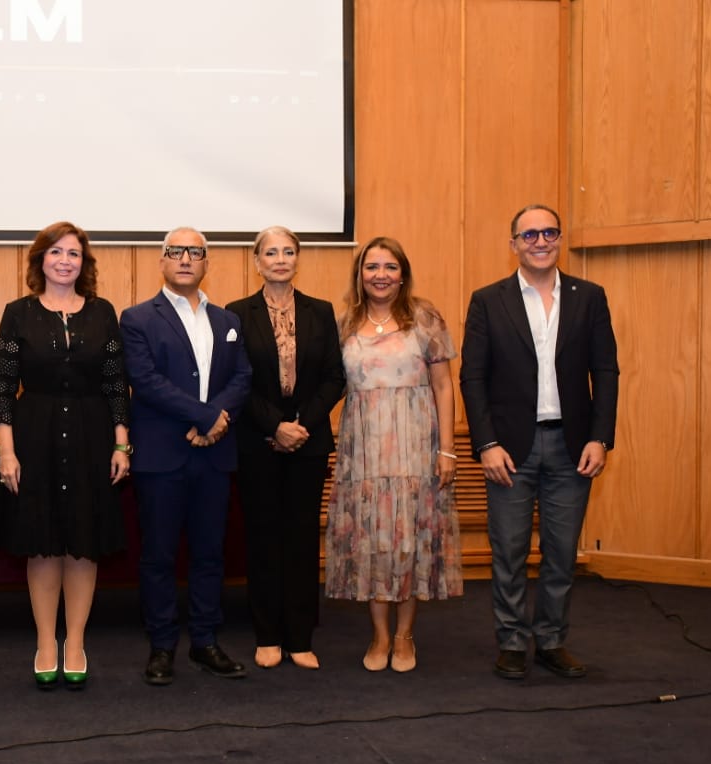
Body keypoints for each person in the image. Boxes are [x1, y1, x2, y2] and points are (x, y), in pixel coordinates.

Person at [459, 204, 619, 680]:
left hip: (573, 447)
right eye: (529, 235)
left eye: (549, 232)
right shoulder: (488, 301)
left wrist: (600, 437)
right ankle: (511, 641)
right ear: (513, 244)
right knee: (508, 552)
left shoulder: (590, 297)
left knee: (561, 553)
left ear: (560, 239)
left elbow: (605, 372)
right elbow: (472, 377)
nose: (541, 241)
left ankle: (551, 640)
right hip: (509, 449)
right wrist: (486, 444)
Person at [0, 221, 130, 691]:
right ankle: (46, 642)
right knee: (43, 541)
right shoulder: (18, 313)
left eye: (73, 253)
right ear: (40, 260)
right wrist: (7, 453)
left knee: (83, 543)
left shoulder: (103, 312)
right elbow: (2, 388)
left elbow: (116, 384)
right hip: (34, 438)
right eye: (55, 252)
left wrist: (121, 443)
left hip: (92, 437)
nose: (64, 260)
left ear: (83, 263)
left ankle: (76, 643)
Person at [119, 226, 252, 686]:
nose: (185, 259)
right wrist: (206, 416)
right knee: (158, 556)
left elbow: (242, 378)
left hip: (215, 456)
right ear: (162, 260)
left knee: (210, 554)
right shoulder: (137, 318)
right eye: (176, 251)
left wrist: (217, 420)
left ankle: (205, 641)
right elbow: (145, 380)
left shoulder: (228, 321)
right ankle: (161, 646)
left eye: (195, 252)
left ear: (206, 263)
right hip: (162, 457)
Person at [324, 237, 463, 673]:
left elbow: (443, 385)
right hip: (363, 451)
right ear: (359, 274)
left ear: (403, 274)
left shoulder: (424, 317)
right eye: (372, 267)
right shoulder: (344, 322)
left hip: (415, 448)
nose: (380, 275)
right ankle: (379, 635)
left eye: (389, 267)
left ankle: (404, 636)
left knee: (408, 541)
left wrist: (447, 449)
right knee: (373, 542)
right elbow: (329, 386)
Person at [225, 226, 344, 671]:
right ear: (257, 262)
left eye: (288, 252)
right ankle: (267, 635)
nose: (280, 259)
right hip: (258, 441)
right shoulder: (237, 313)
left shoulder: (321, 311)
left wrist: (300, 426)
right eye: (271, 253)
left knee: (301, 538)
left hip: (308, 442)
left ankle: (299, 637)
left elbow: (334, 376)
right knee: (262, 538)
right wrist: (275, 426)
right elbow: (236, 380)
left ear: (297, 259)